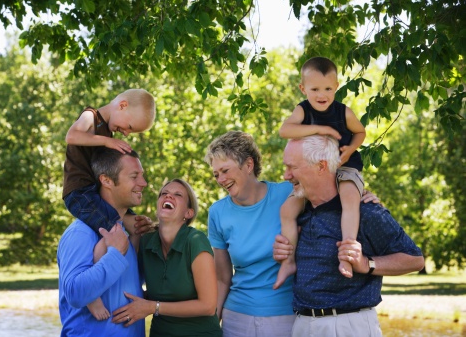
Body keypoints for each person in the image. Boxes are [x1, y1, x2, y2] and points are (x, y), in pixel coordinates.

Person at [273, 135, 425, 337]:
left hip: (348, 326)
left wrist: (366, 264)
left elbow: (415, 260)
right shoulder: (299, 212)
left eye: (292, 167)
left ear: (321, 166)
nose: (285, 175)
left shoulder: (366, 212)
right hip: (302, 325)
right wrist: (283, 251)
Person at [62, 88, 156, 319]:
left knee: (125, 222)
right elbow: (71, 136)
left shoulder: (107, 134)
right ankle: (93, 297)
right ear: (122, 105)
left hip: (91, 191)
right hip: (79, 192)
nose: (126, 132)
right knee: (111, 228)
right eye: (129, 127)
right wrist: (106, 141)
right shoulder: (90, 116)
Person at [275, 56, 366, 288]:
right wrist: (320, 128)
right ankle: (289, 261)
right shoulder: (302, 110)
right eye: (314, 89)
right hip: (315, 171)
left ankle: (347, 254)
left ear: (336, 87)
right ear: (303, 88)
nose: (321, 94)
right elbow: (284, 130)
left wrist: (350, 150)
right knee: (287, 210)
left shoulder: (344, 112)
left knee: (349, 201)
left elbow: (360, 133)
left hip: (345, 166)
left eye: (328, 88)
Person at [203, 130, 296, 337]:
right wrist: (210, 326)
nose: (220, 179)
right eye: (216, 174)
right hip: (236, 317)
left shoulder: (287, 193)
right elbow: (222, 278)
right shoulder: (217, 212)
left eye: (225, 170)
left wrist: (357, 193)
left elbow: (325, 193)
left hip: (285, 316)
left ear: (248, 165)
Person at [109, 179, 222, 337]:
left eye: (178, 195)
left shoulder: (196, 241)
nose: (169, 197)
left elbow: (208, 306)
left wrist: (153, 307)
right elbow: (130, 282)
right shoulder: (145, 241)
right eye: (164, 194)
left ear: (188, 213)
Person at [58, 148, 149, 336]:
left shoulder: (125, 232)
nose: (144, 183)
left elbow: (126, 289)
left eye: (142, 176)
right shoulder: (80, 233)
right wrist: (115, 254)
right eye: (134, 176)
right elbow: (75, 293)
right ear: (106, 180)